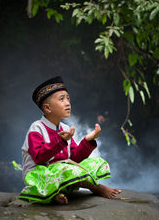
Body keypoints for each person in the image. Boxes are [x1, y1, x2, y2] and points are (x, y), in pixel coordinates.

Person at [19, 76, 121, 204]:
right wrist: (59, 141)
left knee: (93, 163)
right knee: (62, 170)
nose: (67, 103)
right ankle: (93, 188)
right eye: (62, 99)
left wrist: (87, 140)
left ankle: (61, 192)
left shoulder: (65, 128)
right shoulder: (36, 128)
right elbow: (39, 158)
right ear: (47, 108)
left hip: (61, 173)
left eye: (68, 98)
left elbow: (74, 158)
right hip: (40, 176)